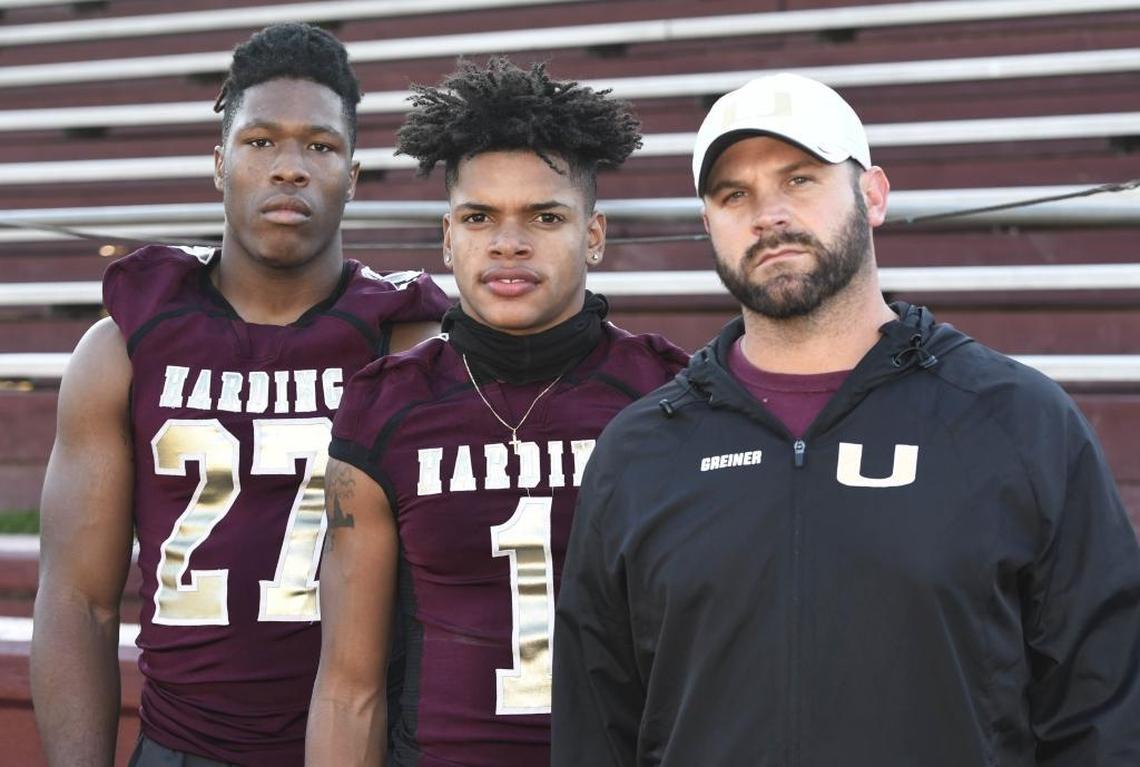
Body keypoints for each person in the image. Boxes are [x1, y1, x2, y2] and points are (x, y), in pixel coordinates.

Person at [551, 72, 1140, 766]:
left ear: (874, 194)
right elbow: (597, 729)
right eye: (733, 194)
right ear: (709, 225)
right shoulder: (642, 452)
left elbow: (1102, 712)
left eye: (799, 179)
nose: (767, 214)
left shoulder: (1015, 419)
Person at [30, 23, 451, 767]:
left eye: (319, 146)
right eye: (260, 141)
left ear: (352, 175)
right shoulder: (124, 346)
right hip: (183, 747)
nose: (289, 167)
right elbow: (78, 603)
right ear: (220, 162)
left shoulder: (406, 343)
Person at [304, 58, 689, 766]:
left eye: (545, 216)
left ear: (594, 234)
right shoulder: (384, 404)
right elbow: (346, 687)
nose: (509, 242)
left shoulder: (666, 397)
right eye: (481, 216)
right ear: (449, 236)